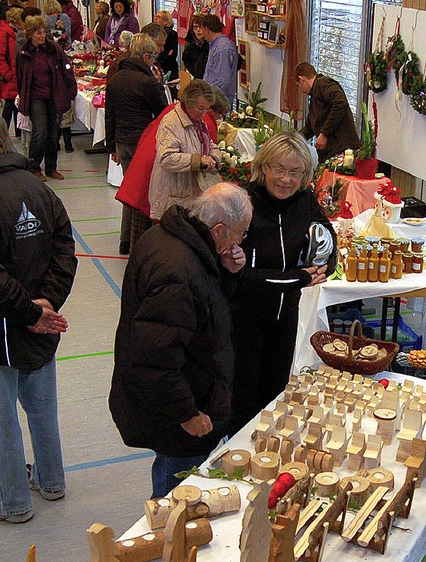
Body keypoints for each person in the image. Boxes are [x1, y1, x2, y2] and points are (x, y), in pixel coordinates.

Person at [109, 182, 253, 498]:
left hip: (184, 395)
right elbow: (155, 358)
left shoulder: (174, 238)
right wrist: (187, 414)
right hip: (178, 413)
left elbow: (202, 312)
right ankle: (166, 543)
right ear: (218, 230)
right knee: (176, 496)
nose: (240, 241)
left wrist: (226, 271)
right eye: (240, 233)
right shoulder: (178, 271)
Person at [0, 108, 77, 523]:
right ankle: (51, 481)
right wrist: (47, 303)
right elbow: (64, 248)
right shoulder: (39, 189)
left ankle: (9, 502)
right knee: (41, 408)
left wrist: (29, 311)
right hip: (40, 326)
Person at [230, 131, 337, 433]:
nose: (286, 180)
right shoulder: (242, 203)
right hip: (243, 320)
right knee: (242, 403)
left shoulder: (305, 202)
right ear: (263, 166)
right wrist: (300, 278)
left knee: (275, 397)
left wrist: (325, 265)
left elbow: (330, 242)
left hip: (284, 319)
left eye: (295, 172)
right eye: (279, 169)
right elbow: (243, 277)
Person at [105, 32, 167, 254]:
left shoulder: (115, 79)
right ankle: (137, 242)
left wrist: (111, 146)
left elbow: (109, 115)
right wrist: (158, 84)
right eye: (152, 57)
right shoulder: (146, 82)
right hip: (141, 143)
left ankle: (125, 241)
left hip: (122, 141)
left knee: (128, 191)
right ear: (145, 57)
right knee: (141, 194)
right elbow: (163, 112)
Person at [149, 79, 221, 221]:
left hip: (190, 195)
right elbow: (166, 158)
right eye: (201, 108)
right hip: (173, 197)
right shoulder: (171, 123)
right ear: (188, 103)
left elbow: (210, 144)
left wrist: (214, 157)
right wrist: (198, 160)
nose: (204, 113)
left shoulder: (198, 121)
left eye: (207, 109)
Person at [16, 15, 77, 181]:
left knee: (53, 134)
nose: (42, 35)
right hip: (36, 97)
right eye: (38, 33)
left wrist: (71, 90)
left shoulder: (53, 49)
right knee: (40, 133)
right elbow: (20, 77)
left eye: (43, 32)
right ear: (30, 34)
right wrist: (23, 97)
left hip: (54, 96)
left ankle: (51, 168)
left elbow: (66, 67)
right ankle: (34, 167)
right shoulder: (23, 53)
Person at [294, 62, 361, 162]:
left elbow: (340, 103)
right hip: (331, 153)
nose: (301, 90)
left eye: (298, 85)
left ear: (301, 79)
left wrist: (325, 133)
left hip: (342, 150)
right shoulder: (313, 99)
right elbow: (309, 129)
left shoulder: (323, 84)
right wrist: (292, 140)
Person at [0, 6, 21, 135]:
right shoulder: (3, 34)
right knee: (9, 106)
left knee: (16, 106)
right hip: (10, 77)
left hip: (15, 76)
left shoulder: (13, 33)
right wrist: (8, 74)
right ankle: (2, 134)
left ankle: (19, 132)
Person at [201, 14, 238, 105]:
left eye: (202, 30)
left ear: (207, 29)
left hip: (217, 102)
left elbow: (222, 80)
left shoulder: (221, 48)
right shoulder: (216, 45)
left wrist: (208, 97)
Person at [154, 10, 178, 84]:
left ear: (166, 22)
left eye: (158, 17)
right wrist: (166, 54)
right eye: (155, 16)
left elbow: (173, 55)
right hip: (157, 68)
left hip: (170, 69)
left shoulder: (173, 34)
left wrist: (161, 57)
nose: (155, 19)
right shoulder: (154, 33)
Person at [181, 14, 207, 80]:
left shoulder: (211, 45)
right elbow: (186, 60)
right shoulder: (190, 48)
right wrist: (196, 73)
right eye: (195, 27)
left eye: (200, 27)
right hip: (198, 80)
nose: (198, 30)